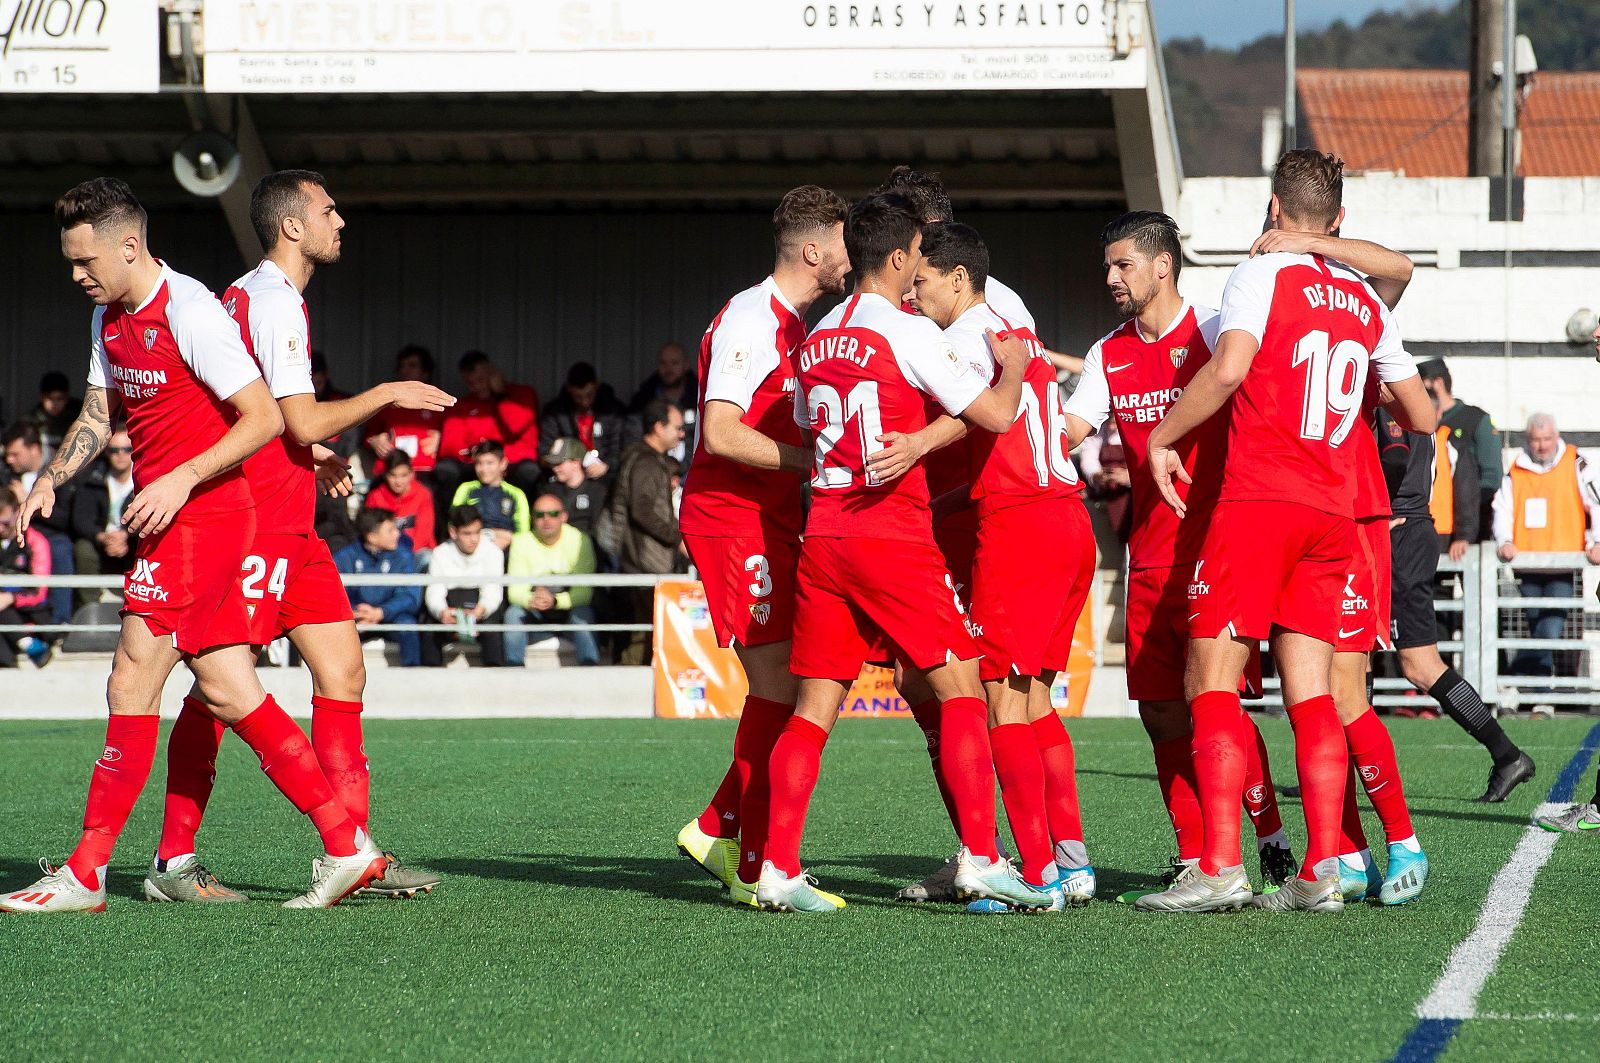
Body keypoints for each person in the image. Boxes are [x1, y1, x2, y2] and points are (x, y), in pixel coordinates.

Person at [3, 177, 383, 914]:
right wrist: (51, 474)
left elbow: (264, 419)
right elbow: (96, 410)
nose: (77, 275)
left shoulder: (192, 310)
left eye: (86, 261)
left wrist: (180, 478)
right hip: (176, 521)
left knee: (131, 680)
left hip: (205, 519)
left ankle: (85, 872)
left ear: (129, 245)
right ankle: (346, 844)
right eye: (70, 263)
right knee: (229, 688)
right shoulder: (108, 319)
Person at [147, 168, 452, 903]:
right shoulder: (277, 302)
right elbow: (302, 415)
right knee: (218, 694)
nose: (340, 220)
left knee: (343, 671)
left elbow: (260, 413)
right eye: (328, 210)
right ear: (292, 226)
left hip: (292, 518)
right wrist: (385, 394)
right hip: (253, 521)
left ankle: (354, 855)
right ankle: (177, 858)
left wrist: (305, 452)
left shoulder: (246, 295)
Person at [1141, 150, 1434, 915]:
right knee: (1316, 697)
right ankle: (1321, 871)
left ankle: (1221, 866)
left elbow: (1231, 368)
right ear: (1337, 219)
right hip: (1337, 514)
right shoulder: (1366, 301)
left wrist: (1161, 437)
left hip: (1260, 501)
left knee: (1210, 678)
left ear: (1274, 209)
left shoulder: (1261, 273)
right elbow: (1421, 414)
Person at [756, 192, 1036, 914]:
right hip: (892, 536)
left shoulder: (816, 337)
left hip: (825, 535)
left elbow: (802, 420)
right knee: (961, 689)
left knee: (813, 710)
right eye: (917, 251)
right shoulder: (905, 332)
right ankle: (982, 856)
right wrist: (1009, 365)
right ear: (899, 256)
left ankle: (777, 866)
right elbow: (998, 416)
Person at [1060, 211, 1297, 897]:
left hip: (1220, 546)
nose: (1111, 277)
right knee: (1161, 710)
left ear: (1163, 265)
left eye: (1122, 264)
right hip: (1150, 555)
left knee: (1212, 698)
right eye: (1108, 265)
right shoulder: (1109, 352)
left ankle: (1270, 836)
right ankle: (1197, 856)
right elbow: (1072, 424)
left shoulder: (1220, 330)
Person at [893, 220, 1099, 912]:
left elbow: (981, 414)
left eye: (921, 280)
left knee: (999, 701)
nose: (912, 292)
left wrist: (916, 442)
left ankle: (1035, 873)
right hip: (1066, 516)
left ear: (957, 277)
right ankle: (1070, 863)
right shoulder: (1017, 329)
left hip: (1021, 530)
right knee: (1035, 697)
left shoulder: (963, 337)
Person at [672, 185, 848, 904]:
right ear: (812, 250)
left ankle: (722, 830)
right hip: (731, 518)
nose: (850, 256)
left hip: (765, 518)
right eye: (841, 243)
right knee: (783, 685)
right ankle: (755, 864)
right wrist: (819, 465)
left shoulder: (791, 324)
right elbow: (721, 431)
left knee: (787, 683)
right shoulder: (752, 319)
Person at [1378, 407, 1534, 802]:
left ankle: (1507, 754)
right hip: (1399, 533)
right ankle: (1342, 772)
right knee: (1353, 650)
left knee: (1420, 664)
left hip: (1400, 534)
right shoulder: (1408, 402)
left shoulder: (1391, 400)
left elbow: (1395, 458)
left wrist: (1380, 515)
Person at [1492, 412, 1600, 687]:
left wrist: (1597, 542)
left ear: (1557, 436)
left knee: (1549, 628)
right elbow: (1502, 509)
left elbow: (1596, 503)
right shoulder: (1517, 468)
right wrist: (1504, 540)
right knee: (1536, 626)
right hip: (1528, 564)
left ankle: (1514, 678)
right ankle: (1539, 694)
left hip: (1563, 565)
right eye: (1536, 440)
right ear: (1528, 440)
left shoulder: (1576, 462)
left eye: (1547, 439)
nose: (1542, 445)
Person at [608, 399, 685, 665]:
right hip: (644, 562)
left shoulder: (642, 458)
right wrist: (677, 539)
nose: (682, 433)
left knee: (645, 630)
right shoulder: (646, 462)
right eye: (677, 427)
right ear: (658, 427)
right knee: (645, 632)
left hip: (640, 560)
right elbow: (642, 510)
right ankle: (630, 695)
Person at [505, 494, 600, 667]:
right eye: (540, 515)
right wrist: (532, 600)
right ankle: (514, 671)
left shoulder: (580, 540)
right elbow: (515, 593)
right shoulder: (521, 541)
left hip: (568, 614)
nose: (546, 520)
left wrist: (555, 601)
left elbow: (585, 593)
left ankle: (590, 670)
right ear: (533, 518)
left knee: (584, 614)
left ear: (564, 516)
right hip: (534, 613)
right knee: (513, 614)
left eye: (553, 514)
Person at [436, 350, 542, 504]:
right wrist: (473, 453)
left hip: (512, 463)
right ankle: (454, 524)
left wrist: (500, 394)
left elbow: (515, 426)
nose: (477, 386)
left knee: (529, 472)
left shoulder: (522, 395)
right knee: (445, 470)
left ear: (493, 374)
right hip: (476, 464)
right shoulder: (463, 405)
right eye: (471, 383)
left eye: (481, 379)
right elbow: (449, 446)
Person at [1419, 359, 1501, 542]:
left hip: (1468, 523)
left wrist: (1468, 523)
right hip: (1430, 521)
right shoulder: (1419, 423)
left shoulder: (1475, 419)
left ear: (1438, 384)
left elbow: (1491, 477)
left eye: (1422, 386)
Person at [3, 421, 76, 623]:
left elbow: (66, 517)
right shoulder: (7, 474)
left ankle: (59, 622)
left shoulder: (61, 471)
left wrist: (28, 502)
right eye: (7, 454)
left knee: (60, 550)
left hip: (50, 532)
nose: (9, 460)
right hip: (11, 531)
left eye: (15, 454)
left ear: (34, 449)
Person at [334, 507, 425, 667]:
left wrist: (381, 612)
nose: (397, 534)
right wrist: (354, 612)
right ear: (372, 537)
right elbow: (333, 594)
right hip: (356, 617)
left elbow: (409, 597)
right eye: (390, 530)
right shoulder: (345, 557)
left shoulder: (403, 556)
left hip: (391, 616)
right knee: (334, 631)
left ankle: (412, 679)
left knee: (408, 626)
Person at [424, 505, 506, 667]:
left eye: (477, 532)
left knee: (492, 629)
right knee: (429, 630)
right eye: (467, 533)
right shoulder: (440, 553)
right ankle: (430, 679)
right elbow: (435, 591)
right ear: (453, 532)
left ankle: (495, 678)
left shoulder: (493, 552)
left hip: (482, 610)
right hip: (450, 608)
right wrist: (442, 612)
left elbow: (493, 591)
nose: (474, 539)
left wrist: (480, 611)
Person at [69, 426, 138, 607]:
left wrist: (125, 535)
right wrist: (103, 537)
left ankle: (138, 601)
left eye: (127, 449)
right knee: (82, 547)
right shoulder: (92, 479)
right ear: (106, 451)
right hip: (100, 541)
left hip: (133, 541)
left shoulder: (144, 481)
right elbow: (81, 520)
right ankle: (91, 606)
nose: (120, 455)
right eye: (114, 450)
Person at [364, 344, 444, 480]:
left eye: (412, 366)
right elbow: (368, 434)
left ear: (425, 372)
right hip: (391, 472)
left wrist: (442, 438)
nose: (405, 370)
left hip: (425, 472)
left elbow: (458, 439)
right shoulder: (386, 403)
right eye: (402, 366)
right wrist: (374, 441)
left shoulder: (439, 402)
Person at [540, 361, 626, 481]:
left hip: (606, 475)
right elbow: (546, 452)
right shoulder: (555, 412)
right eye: (578, 397)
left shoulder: (613, 411)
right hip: (567, 475)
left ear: (597, 386)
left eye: (589, 395)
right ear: (569, 389)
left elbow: (619, 448)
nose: (584, 402)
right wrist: (567, 465)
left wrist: (607, 465)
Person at [0, 494, 54, 668]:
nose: (0, 528)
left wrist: (12, 598)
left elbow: (39, 592)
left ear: (18, 513)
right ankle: (27, 644)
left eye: (5, 522)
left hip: (30, 612)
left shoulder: (35, 542)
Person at [628, 341, 698, 473]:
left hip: (690, 478)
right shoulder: (643, 399)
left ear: (686, 364)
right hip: (652, 473)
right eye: (663, 363)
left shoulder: (700, 398)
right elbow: (632, 439)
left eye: (674, 363)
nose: (668, 369)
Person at [451, 439, 530, 551]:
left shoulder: (516, 494)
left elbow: (523, 534)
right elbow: (454, 523)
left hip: (507, 548)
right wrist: (490, 535)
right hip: (473, 545)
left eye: (490, 463)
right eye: (479, 463)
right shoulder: (466, 489)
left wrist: (505, 539)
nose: (484, 469)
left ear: (503, 463)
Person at [364, 448, 437, 564]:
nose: (398, 482)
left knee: (427, 558)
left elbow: (424, 535)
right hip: (385, 554)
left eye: (403, 475)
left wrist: (403, 557)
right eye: (393, 475)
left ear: (412, 473)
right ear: (385, 474)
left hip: (415, 554)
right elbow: (371, 531)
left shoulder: (423, 495)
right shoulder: (375, 497)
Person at [540, 436, 607, 543]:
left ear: (576, 463)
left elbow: (598, 529)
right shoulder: (548, 491)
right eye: (553, 464)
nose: (555, 468)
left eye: (559, 463)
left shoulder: (596, 491)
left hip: (586, 549)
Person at [27, 370, 83, 460]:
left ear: (67, 398)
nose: (55, 404)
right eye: (50, 398)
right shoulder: (31, 421)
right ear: (41, 397)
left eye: (59, 399)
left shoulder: (77, 419)